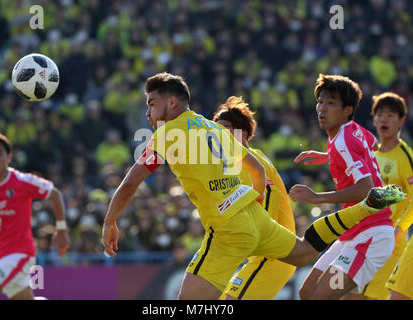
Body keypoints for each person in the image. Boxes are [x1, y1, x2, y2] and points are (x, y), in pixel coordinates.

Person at [101, 72, 405, 300]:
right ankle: (366, 206)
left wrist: (111, 221)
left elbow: (130, 182)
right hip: (255, 218)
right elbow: (256, 168)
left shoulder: (168, 133)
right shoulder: (212, 127)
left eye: (151, 104)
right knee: (303, 252)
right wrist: (251, 203)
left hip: (228, 229)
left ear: (171, 102)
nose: (148, 113)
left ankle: (366, 206)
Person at [290, 74, 397, 300]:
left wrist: (316, 197)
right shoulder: (350, 132)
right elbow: (371, 144)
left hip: (371, 237)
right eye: (320, 101)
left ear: (347, 110)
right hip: (351, 234)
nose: (322, 108)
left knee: (321, 297)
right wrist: (330, 156)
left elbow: (366, 189)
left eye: (331, 103)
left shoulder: (342, 141)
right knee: (306, 292)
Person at [0, 132, 70, 300]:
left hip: (21, 254)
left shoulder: (22, 181)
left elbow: (54, 194)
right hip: (0, 255)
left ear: (9, 157)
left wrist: (61, 230)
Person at [212, 96, 296, 300]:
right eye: (215, 129)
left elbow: (266, 214)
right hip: (262, 255)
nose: (216, 134)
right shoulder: (237, 163)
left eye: (224, 128)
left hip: (273, 255)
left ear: (243, 134)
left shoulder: (256, 164)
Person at [348, 92, 412, 300]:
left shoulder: (405, 158)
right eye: (380, 114)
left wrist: (399, 229)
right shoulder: (370, 155)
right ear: (374, 119)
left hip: (388, 242)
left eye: (391, 115)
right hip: (364, 238)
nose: (384, 119)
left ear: (401, 120)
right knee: (345, 294)